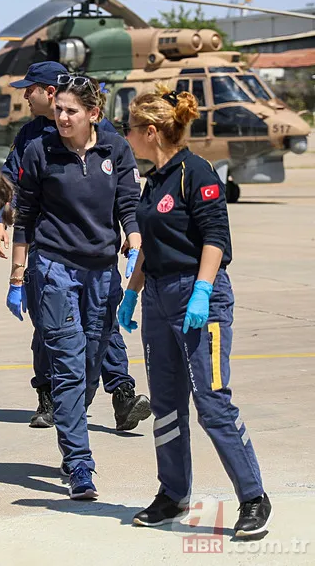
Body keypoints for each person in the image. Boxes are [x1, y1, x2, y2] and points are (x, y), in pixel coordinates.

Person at [118, 87, 271, 537]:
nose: (127, 136)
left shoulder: (196, 172)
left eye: (130, 129)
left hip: (198, 296)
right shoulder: (155, 178)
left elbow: (215, 238)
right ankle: (173, 494)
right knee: (166, 405)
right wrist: (132, 292)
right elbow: (151, 244)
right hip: (158, 296)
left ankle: (253, 497)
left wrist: (203, 291)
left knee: (212, 402)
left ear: (150, 131)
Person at [0, 61, 150, 432]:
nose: (24, 95)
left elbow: (125, 193)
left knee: (104, 327)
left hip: (96, 254)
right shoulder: (33, 138)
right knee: (51, 330)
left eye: (29, 88)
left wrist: (132, 234)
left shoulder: (104, 136)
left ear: (48, 91)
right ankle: (50, 396)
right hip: (51, 256)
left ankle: (120, 392)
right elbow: (11, 185)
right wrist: (0, 220)